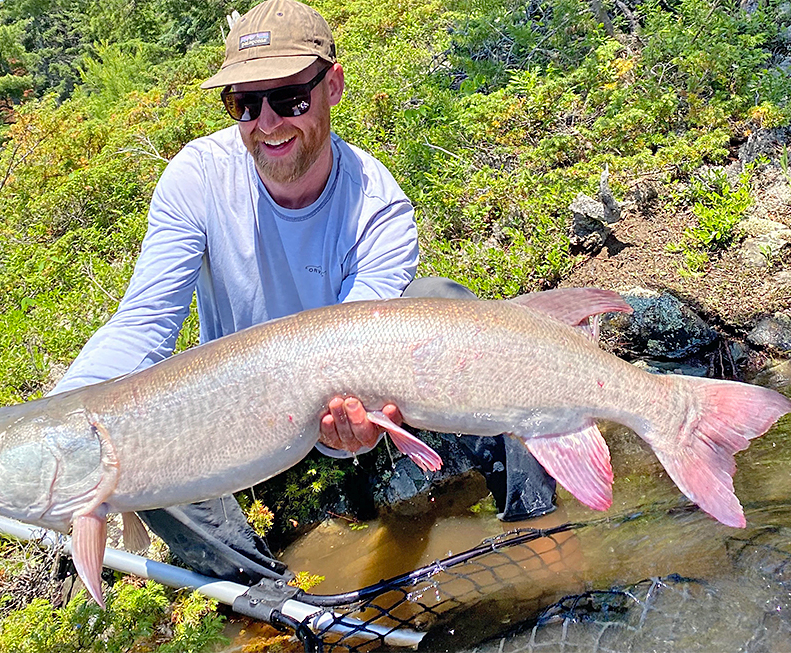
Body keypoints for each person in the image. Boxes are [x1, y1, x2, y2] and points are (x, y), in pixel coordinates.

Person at [47, 0, 555, 586]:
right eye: (243, 103)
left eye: (289, 98)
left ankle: (536, 532)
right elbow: (143, 325)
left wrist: (348, 440)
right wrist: (59, 417)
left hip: (338, 412)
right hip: (236, 421)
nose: (266, 124)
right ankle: (267, 595)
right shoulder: (197, 177)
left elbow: (359, 370)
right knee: (134, 446)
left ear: (332, 87)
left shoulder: (378, 207)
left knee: (449, 304)